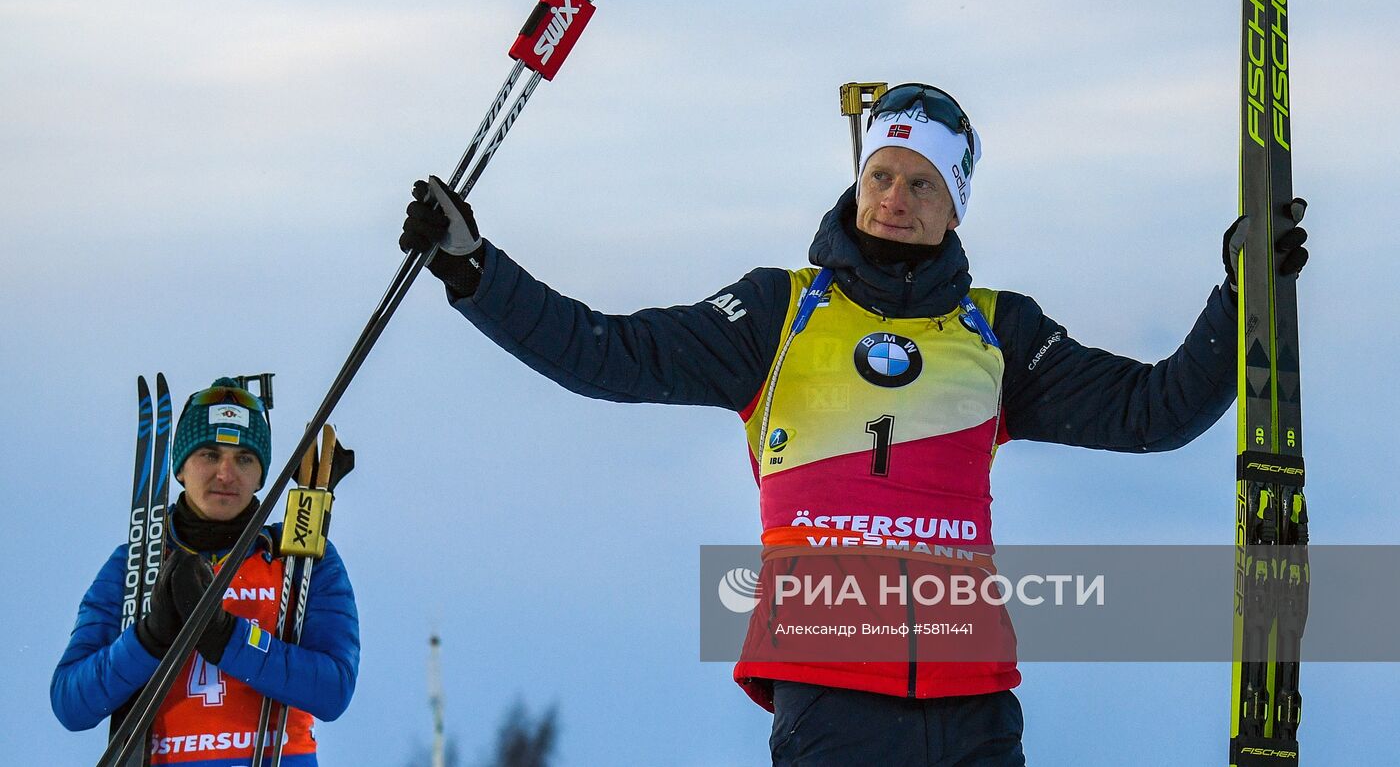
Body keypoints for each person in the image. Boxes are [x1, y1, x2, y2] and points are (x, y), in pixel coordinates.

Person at [398, 83, 1308, 766]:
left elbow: (1153, 411)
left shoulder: (999, 332)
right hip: (832, 699)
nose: (894, 196)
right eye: (879, 173)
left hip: (975, 705)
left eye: (921, 181)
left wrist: (1244, 292)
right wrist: (476, 268)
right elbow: (604, 353)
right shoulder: (775, 316)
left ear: (956, 204)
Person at [52, 378, 359, 766]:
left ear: (262, 476)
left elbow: (333, 690)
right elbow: (71, 703)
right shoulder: (134, 562)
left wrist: (226, 636)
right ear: (180, 468)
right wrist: (148, 638)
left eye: (244, 459)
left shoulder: (300, 557)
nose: (226, 475)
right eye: (210, 455)